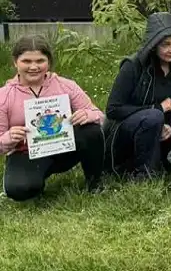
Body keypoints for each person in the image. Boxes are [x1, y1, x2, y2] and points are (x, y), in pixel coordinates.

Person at [0, 36, 104, 201]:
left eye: (40, 61)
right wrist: (8, 138)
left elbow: (100, 116)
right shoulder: (4, 96)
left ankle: (95, 183)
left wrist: (88, 115)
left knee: (91, 130)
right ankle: (30, 179)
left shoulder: (65, 85)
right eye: (26, 61)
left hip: (64, 148)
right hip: (26, 154)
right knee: (19, 190)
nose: (33, 67)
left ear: (48, 62)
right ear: (15, 62)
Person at [104, 12, 171, 180]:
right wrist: (157, 108)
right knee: (154, 116)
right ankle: (144, 174)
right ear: (154, 45)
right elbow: (113, 110)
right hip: (126, 132)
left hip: (163, 130)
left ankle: (164, 164)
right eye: (165, 44)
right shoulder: (133, 66)